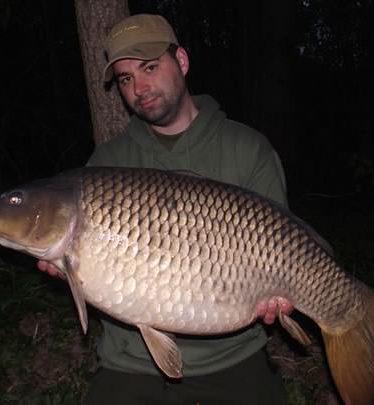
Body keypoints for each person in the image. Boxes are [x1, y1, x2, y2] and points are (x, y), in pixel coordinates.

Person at [38, 13, 294, 404]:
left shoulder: (247, 150)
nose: (139, 87)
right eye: (125, 79)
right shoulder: (108, 162)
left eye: (150, 68)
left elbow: (285, 250)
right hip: (131, 361)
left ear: (183, 62)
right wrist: (69, 267)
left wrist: (282, 294)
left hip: (233, 356)